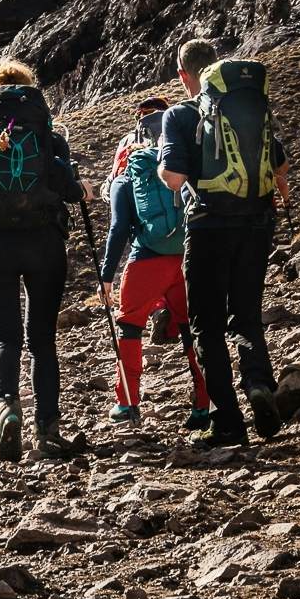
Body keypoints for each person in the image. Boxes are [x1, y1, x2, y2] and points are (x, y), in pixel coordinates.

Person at [158, 37, 290, 448]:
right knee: (247, 316)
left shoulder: (179, 115)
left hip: (208, 227)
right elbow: (281, 167)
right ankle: (259, 385)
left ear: (184, 75)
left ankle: (229, 422)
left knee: (207, 327)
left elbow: (173, 177)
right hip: (256, 223)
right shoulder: (248, 108)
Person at [0, 59, 84, 462]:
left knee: (3, 336)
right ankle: (48, 429)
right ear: (30, 91)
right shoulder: (48, 133)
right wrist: (81, 189)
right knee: (42, 340)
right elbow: (69, 189)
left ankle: (7, 409)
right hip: (43, 245)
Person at [97, 94, 199, 430]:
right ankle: (203, 403)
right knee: (191, 331)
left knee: (129, 327)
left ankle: (127, 403)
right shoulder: (179, 155)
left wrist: (106, 275)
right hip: (186, 256)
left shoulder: (130, 168)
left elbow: (118, 228)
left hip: (146, 260)